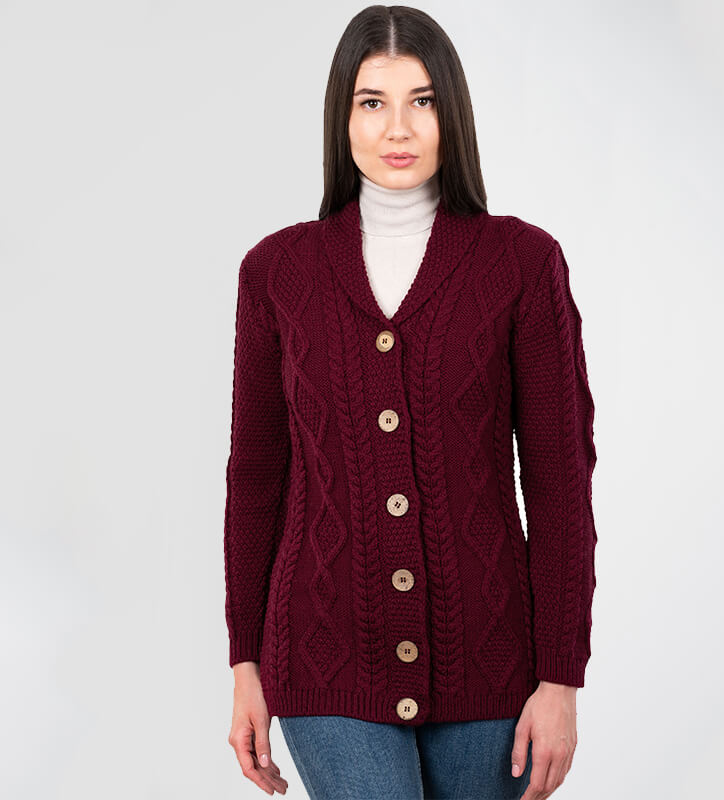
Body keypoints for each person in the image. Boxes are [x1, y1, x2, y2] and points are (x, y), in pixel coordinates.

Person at [224, 6, 598, 799]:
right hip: (325, 655)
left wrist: (561, 678)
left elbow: (560, 481)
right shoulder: (276, 272)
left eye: (422, 101)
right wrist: (245, 663)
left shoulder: (523, 264)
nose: (398, 127)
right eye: (373, 101)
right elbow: (256, 478)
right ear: (342, 115)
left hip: (493, 662)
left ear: (450, 113)